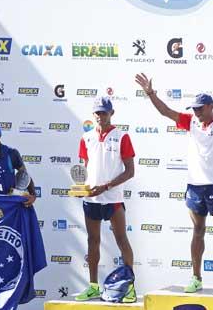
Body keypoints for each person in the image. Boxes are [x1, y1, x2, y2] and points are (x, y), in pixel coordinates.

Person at [135, 72, 213, 295]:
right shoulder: (191, 122)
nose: (196, 112)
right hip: (195, 186)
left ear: (211, 106)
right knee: (197, 231)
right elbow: (165, 111)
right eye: (194, 108)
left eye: (199, 108)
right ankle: (196, 278)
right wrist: (150, 93)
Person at [75, 96, 136, 302]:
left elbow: (130, 171)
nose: (101, 116)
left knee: (121, 240)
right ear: (93, 115)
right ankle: (93, 286)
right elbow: (84, 168)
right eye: (97, 113)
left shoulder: (122, 136)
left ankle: (129, 288)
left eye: (104, 112)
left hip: (113, 198)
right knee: (93, 241)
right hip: (92, 199)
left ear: (112, 113)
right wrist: (82, 188)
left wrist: (106, 186)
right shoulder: (86, 137)